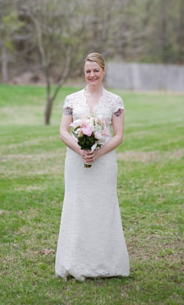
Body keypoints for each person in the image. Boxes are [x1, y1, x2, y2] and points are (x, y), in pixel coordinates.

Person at [55, 52, 129, 280]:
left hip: (104, 161)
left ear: (104, 71)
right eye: (88, 71)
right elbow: (63, 131)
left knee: (103, 208)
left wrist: (98, 153)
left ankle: (106, 263)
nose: (92, 75)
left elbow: (118, 136)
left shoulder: (114, 101)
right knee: (77, 206)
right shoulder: (71, 100)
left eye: (96, 70)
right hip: (76, 162)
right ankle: (75, 262)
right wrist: (80, 150)